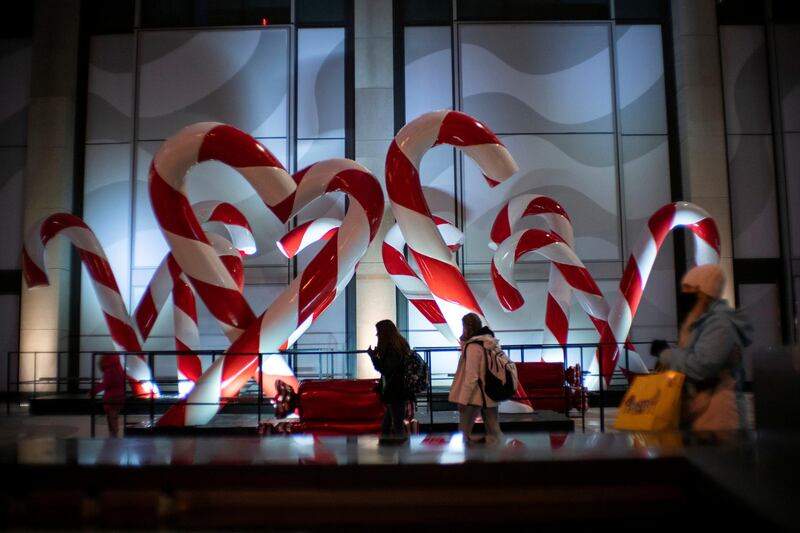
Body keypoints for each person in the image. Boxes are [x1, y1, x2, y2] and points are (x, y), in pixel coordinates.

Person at [651, 264, 753, 431]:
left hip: (719, 417)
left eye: (688, 288)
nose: (683, 293)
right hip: (702, 413)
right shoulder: (698, 321)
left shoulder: (720, 324)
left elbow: (701, 366)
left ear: (703, 292)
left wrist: (667, 354)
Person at [449, 313, 504, 444]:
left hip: (474, 396)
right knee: (494, 429)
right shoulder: (489, 342)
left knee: (463, 431)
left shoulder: (473, 347)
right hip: (490, 393)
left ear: (466, 327)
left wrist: (463, 399)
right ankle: (502, 456)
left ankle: (466, 461)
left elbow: (471, 376)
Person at [367, 320, 412, 437]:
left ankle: (398, 452)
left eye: (378, 332)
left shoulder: (392, 349)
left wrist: (374, 357)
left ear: (384, 333)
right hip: (398, 390)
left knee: (395, 425)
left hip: (395, 391)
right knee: (390, 424)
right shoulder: (400, 345)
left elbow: (385, 369)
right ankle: (391, 450)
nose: (377, 335)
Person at [98, 354, 126, 437]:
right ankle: (114, 433)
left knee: (112, 416)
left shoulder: (108, 370)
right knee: (115, 416)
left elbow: (106, 384)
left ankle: (114, 434)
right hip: (120, 396)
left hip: (111, 397)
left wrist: (93, 391)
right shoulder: (119, 369)